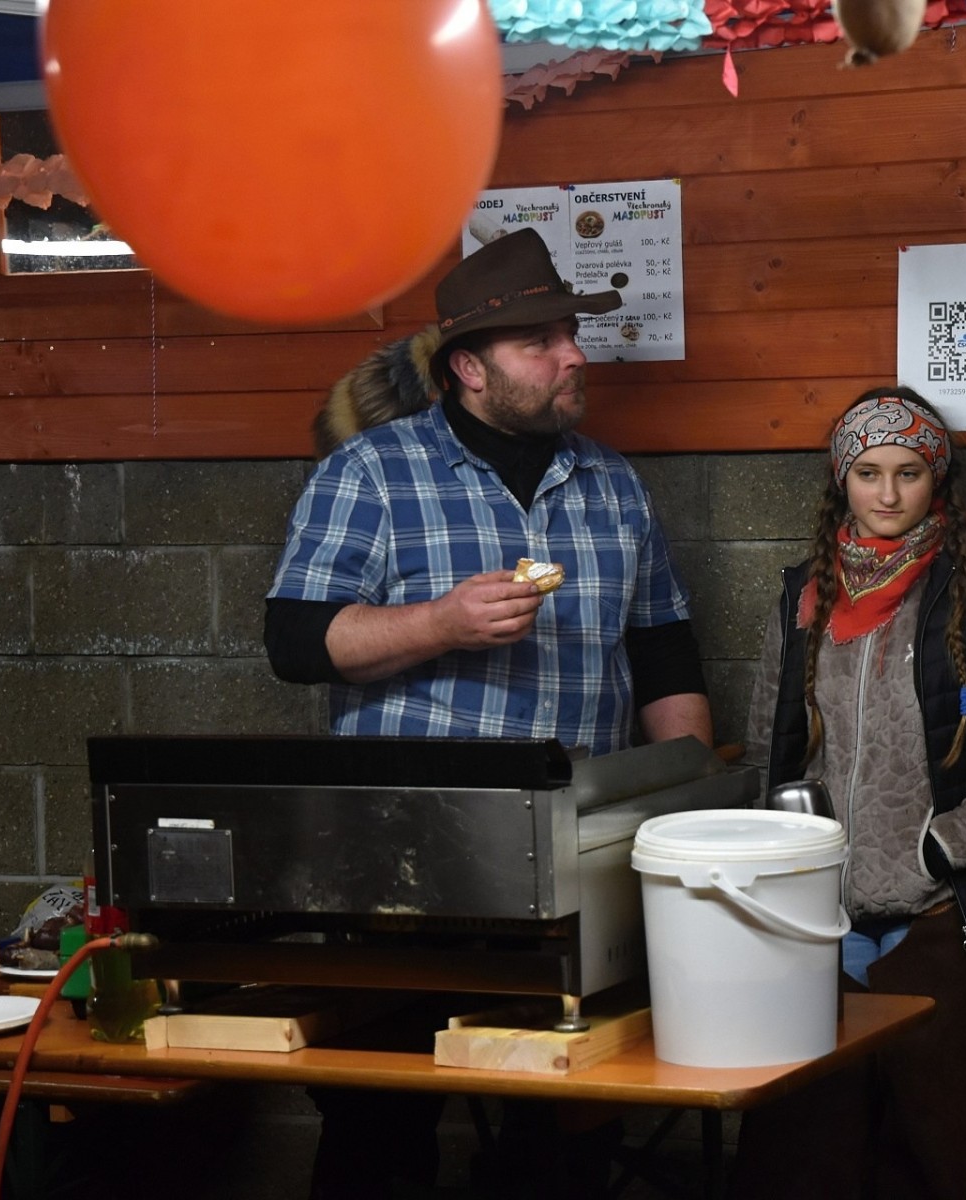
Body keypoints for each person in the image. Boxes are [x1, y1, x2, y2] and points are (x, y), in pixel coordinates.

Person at [265, 228, 711, 1198]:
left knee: (566, 1126)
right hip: (402, 866)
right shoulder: (372, 473)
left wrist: (693, 816)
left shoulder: (613, 486)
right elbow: (293, 641)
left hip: (572, 859)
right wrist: (439, 622)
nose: (573, 356)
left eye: (570, 335)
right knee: (378, 1127)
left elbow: (664, 653)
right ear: (469, 368)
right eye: (541, 342)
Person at [728, 387, 966, 1200]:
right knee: (813, 1154)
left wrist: (943, 847)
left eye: (909, 473)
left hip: (941, 922)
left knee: (941, 1155)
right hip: (821, 926)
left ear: (938, 479)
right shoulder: (801, 602)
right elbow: (763, 757)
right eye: (868, 473)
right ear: (841, 480)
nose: (887, 494)